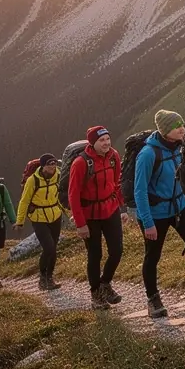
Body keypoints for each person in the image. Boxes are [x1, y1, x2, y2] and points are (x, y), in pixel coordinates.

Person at [135, 110, 185, 319]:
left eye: (181, 124)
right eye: (176, 126)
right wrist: (148, 222)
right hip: (155, 213)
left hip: (179, 206)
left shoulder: (181, 147)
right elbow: (139, 191)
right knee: (153, 256)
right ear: (164, 130)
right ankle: (153, 299)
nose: (181, 128)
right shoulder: (148, 154)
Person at [68, 126, 127, 311]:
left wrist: (122, 208)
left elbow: (117, 183)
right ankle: (96, 294)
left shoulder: (114, 156)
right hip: (90, 215)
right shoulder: (80, 163)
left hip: (110, 210)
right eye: (102, 140)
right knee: (95, 255)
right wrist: (80, 224)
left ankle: (105, 283)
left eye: (108, 139)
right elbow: (73, 195)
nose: (106, 143)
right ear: (93, 143)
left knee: (117, 251)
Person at [16, 154, 62, 291]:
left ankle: (49, 277)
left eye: (54, 164)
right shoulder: (33, 180)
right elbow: (24, 201)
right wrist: (20, 221)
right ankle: (43, 277)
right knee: (49, 247)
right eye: (49, 165)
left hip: (55, 215)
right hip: (38, 217)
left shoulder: (59, 176)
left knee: (53, 249)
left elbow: (62, 196)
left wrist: (71, 214)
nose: (53, 167)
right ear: (43, 166)